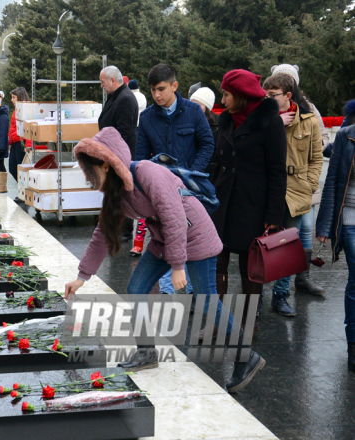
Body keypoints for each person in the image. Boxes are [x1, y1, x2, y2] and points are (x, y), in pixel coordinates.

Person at [65, 126, 266, 392]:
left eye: (89, 170)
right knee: (136, 288)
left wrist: (177, 266)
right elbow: (103, 233)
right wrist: (82, 277)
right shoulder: (118, 190)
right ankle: (146, 352)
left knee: (207, 301)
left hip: (194, 235)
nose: (87, 177)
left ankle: (246, 357)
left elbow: (174, 219)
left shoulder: (148, 173)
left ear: (105, 164)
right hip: (164, 241)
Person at [211, 69, 287, 336]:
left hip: (252, 206)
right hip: (221, 204)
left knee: (250, 269)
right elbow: (216, 163)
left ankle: (248, 322)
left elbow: (278, 171)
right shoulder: (226, 122)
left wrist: (274, 215)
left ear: (241, 96)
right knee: (216, 263)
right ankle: (217, 321)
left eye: (227, 94)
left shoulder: (270, 123)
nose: (223, 99)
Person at [261, 74, 324, 311]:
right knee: (259, 241)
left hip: (296, 190)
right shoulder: (263, 118)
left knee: (288, 243)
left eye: (272, 95)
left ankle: (280, 295)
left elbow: (316, 157)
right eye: (265, 94)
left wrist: (309, 185)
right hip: (266, 187)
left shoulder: (309, 121)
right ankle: (255, 296)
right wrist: (275, 123)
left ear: (287, 96)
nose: (267, 99)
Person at [157, 86, 217, 297]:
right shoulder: (179, 119)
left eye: (199, 104)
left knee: (193, 240)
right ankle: (166, 290)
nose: (194, 107)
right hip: (174, 186)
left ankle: (191, 289)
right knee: (169, 237)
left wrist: (193, 174)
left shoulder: (212, 128)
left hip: (197, 190)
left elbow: (210, 154)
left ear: (207, 108)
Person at [315, 120, 355, 373]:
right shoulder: (346, 136)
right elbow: (332, 182)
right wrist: (324, 226)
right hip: (350, 217)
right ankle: (353, 343)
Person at [98, 66, 139, 244]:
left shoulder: (125, 99)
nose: (101, 86)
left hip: (120, 156)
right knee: (114, 192)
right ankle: (116, 227)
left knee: (122, 192)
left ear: (112, 80)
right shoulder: (117, 96)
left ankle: (124, 231)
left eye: (102, 82)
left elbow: (123, 132)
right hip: (112, 154)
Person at [8, 87, 33, 200]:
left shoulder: (26, 109)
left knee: (20, 170)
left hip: (21, 143)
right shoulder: (16, 109)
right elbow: (13, 126)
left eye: (14, 97)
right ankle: (24, 190)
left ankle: (23, 193)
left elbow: (30, 126)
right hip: (14, 142)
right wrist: (10, 141)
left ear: (20, 97)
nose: (12, 100)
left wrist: (28, 143)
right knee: (12, 168)